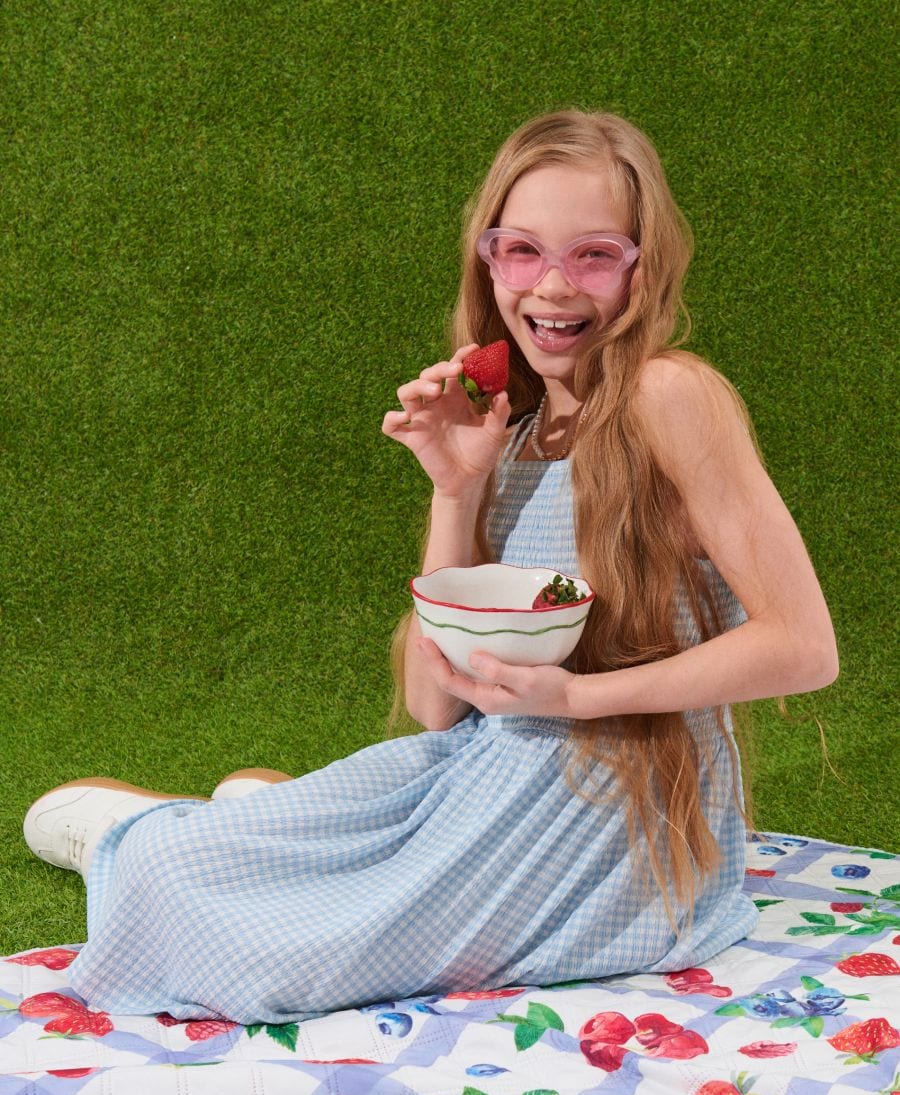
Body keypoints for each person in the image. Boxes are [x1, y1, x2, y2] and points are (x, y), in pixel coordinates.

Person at [22, 109, 838, 1024]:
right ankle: (246, 827)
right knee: (207, 887)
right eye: (522, 251)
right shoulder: (514, 436)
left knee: (258, 960)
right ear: (489, 263)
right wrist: (457, 488)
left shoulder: (668, 393)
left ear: (643, 268)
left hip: (619, 832)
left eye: (594, 255)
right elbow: (435, 707)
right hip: (487, 783)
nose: (553, 286)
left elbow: (804, 647)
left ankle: (169, 832)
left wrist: (576, 698)